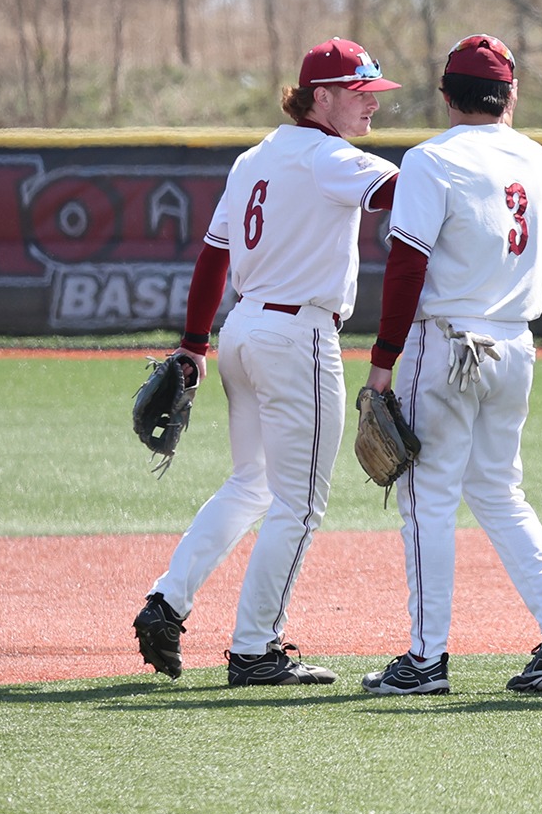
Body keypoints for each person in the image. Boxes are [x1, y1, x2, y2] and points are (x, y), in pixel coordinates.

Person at [131, 38, 400, 686]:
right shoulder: (332, 157)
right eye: (360, 93)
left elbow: (213, 254)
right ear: (322, 97)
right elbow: (405, 191)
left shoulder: (254, 158)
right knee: (300, 503)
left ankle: (166, 602)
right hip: (299, 338)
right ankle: (256, 649)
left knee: (252, 483)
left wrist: (194, 342)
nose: (372, 105)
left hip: (243, 330)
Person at [356, 34, 542, 696]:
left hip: (447, 343)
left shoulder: (431, 160)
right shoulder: (537, 158)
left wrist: (382, 362)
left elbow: (407, 267)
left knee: (426, 500)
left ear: (445, 95)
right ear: (509, 94)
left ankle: (425, 660)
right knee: (497, 490)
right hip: (513, 344)